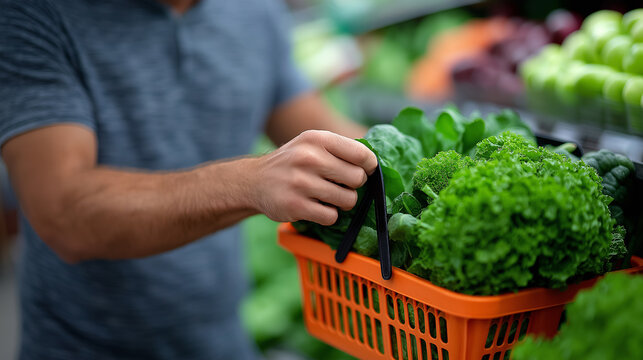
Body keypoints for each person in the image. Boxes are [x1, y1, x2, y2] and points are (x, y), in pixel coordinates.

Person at [0, 0, 378, 359]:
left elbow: (332, 136)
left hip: (225, 340)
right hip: (81, 347)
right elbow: (64, 213)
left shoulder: (254, 10)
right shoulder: (35, 12)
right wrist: (249, 182)